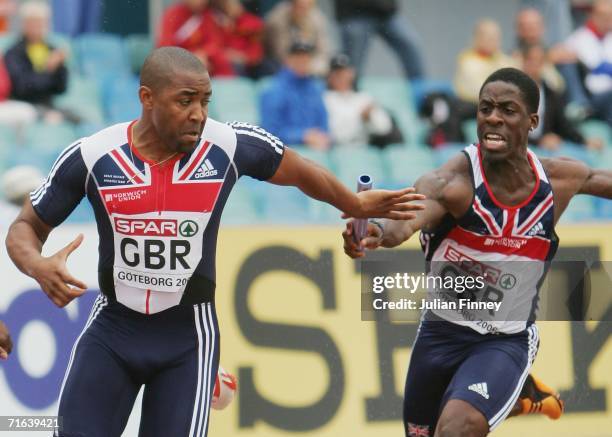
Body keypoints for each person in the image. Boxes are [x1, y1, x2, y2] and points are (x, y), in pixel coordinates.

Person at [5, 46, 424, 437]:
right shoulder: (94, 154)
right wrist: (36, 264)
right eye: (184, 100)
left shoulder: (228, 145)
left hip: (188, 338)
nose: (198, 114)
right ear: (147, 98)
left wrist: (351, 202)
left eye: (205, 101)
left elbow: (298, 170)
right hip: (113, 330)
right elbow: (25, 227)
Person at [343, 67, 611, 436]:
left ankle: (507, 387)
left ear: (532, 121)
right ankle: (519, 395)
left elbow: (604, 180)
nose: (493, 118)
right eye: (485, 108)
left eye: (507, 110)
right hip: (439, 335)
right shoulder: (452, 183)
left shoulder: (559, 180)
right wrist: (375, 231)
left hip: (506, 339)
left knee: (455, 429)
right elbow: (403, 223)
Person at [520, 43, 602, 150]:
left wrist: (585, 141)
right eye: (530, 60)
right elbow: (510, 130)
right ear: (523, 62)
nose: (534, 65)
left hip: (545, 149)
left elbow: (563, 125)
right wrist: (539, 141)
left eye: (539, 61)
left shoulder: (551, 93)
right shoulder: (512, 94)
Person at [260, 41, 330, 149]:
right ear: (288, 60)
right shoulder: (274, 90)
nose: (302, 62)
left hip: (315, 151)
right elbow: (269, 132)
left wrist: (322, 137)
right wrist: (303, 136)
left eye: (306, 58)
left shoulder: (316, 89)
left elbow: (323, 124)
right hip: (285, 153)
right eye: (298, 58)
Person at [4, 1, 69, 119]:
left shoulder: (52, 49)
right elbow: (22, 88)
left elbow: (61, 88)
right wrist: (49, 69)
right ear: (24, 24)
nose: (37, 27)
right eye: (32, 22)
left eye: (41, 22)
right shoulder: (13, 53)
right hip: (25, 107)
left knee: (80, 119)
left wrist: (61, 68)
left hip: (49, 105)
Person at [334, 0, 424, 80]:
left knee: (411, 47)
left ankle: (421, 95)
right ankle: (350, 95)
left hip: (386, 11)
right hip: (354, 13)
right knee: (351, 67)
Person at [323, 54, 394, 147]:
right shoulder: (325, 99)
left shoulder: (363, 97)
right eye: (337, 73)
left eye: (344, 72)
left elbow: (384, 128)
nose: (341, 77)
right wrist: (361, 119)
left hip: (366, 149)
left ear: (351, 74)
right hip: (341, 150)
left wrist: (368, 118)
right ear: (329, 77)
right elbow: (337, 135)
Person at [563, 0, 612, 126]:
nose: (608, 20)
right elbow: (598, 66)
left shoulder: (609, 37)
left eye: (610, 16)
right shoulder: (579, 37)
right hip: (592, 98)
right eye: (604, 16)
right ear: (593, 15)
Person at [158, 0, 234, 77]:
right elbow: (165, 46)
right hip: (179, 65)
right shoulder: (173, 14)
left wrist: (204, 53)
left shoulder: (207, 15)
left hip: (205, 63)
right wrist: (192, 58)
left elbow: (214, 43)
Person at [263, 0, 331, 76]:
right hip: (280, 65)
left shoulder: (318, 19)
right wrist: (300, 65)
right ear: (291, 4)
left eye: (306, 6)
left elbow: (323, 53)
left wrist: (309, 66)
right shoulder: (277, 19)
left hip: (310, 65)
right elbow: (281, 54)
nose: (303, 11)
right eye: (300, 6)